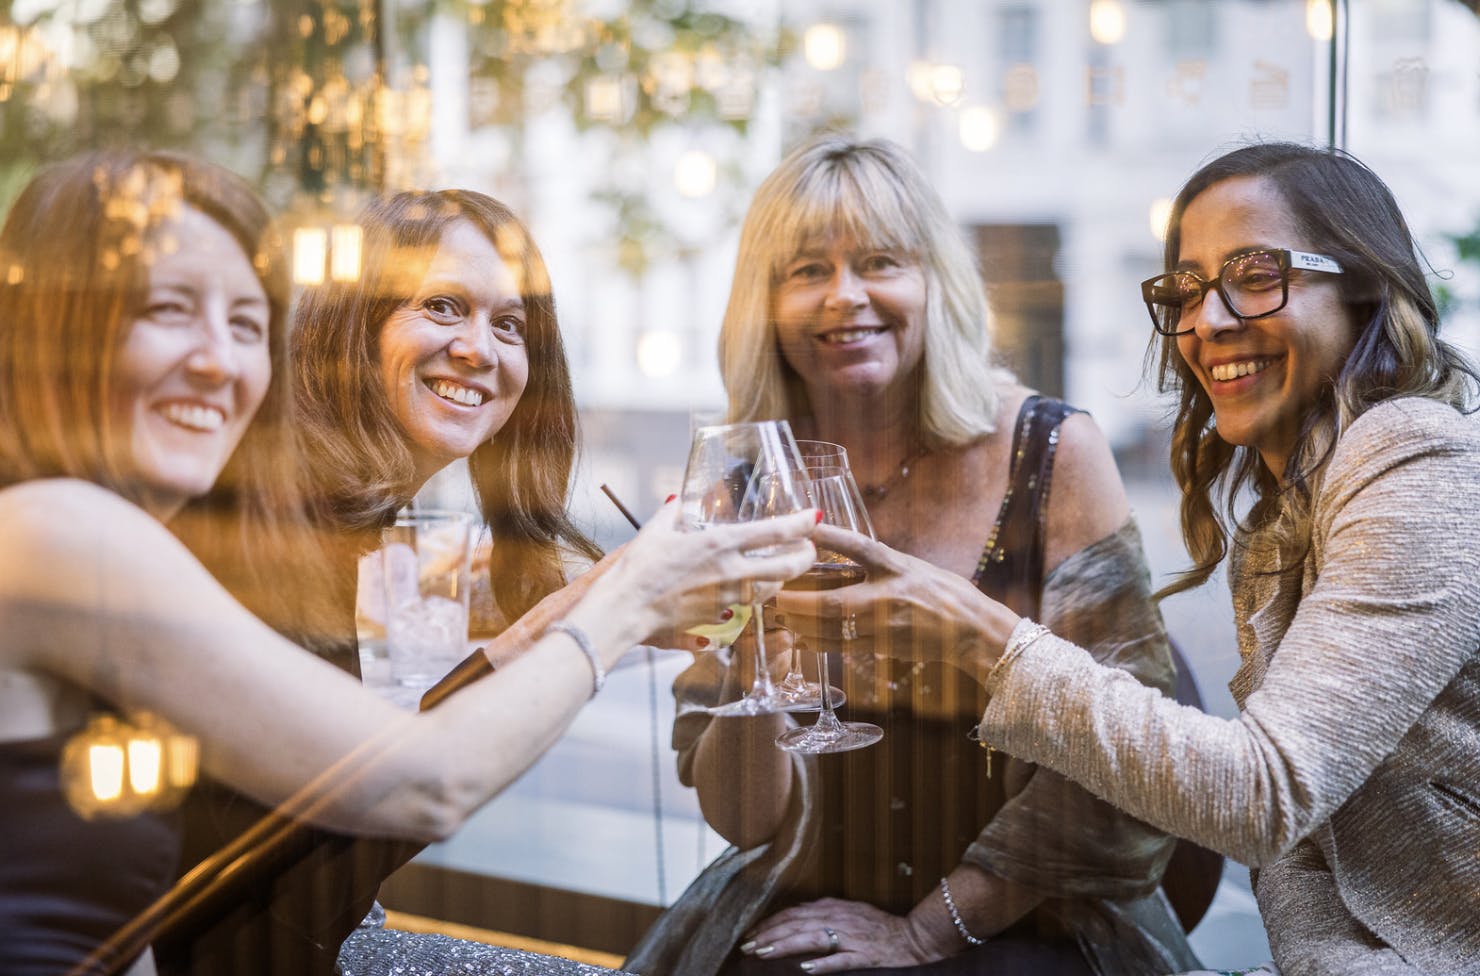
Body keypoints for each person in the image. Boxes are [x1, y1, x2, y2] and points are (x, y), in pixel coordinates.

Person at [0, 150, 819, 976]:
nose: (479, 349)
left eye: (248, 325)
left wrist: (588, 603)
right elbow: (414, 788)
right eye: (172, 310)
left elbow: (306, 820)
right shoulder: (79, 531)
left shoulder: (217, 526)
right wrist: (625, 604)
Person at [785, 142, 1480, 975]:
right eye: (1186, 289)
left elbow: (1262, 795)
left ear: (1364, 283)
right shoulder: (1282, 511)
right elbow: (1303, 846)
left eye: (1257, 275)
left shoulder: (1417, 455)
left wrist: (983, 639)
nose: (1208, 321)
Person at [628, 135, 1198, 976]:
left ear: (935, 283)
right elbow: (743, 821)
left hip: (1033, 909)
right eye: (804, 271)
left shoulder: (1053, 453)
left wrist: (926, 931)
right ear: (764, 304)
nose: (844, 297)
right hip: (806, 891)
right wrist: (751, 676)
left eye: (880, 262)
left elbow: (1130, 762)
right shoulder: (745, 482)